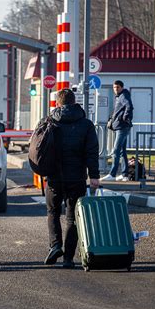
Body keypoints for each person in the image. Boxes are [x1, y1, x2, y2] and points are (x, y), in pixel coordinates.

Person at [43, 89, 99, 269]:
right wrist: (95, 176)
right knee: (72, 218)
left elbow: (39, 147)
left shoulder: (49, 121)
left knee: (52, 212)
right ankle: (68, 259)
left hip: (53, 177)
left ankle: (55, 245)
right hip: (76, 178)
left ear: (58, 104)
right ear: (75, 103)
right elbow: (91, 153)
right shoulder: (86, 125)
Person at [100, 80, 134, 182]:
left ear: (122, 87)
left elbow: (129, 106)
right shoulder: (120, 96)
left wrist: (123, 118)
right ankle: (124, 175)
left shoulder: (123, 96)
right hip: (120, 126)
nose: (115, 89)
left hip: (122, 127)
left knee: (116, 150)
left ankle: (112, 174)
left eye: (118, 87)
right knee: (122, 151)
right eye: (114, 87)